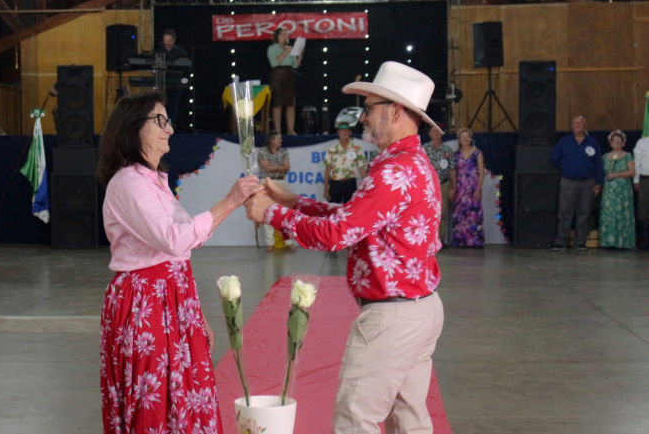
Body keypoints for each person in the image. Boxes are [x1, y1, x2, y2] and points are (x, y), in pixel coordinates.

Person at [245, 62, 445, 434]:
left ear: (396, 111)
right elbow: (359, 219)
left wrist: (272, 214)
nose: (363, 118)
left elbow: (337, 235)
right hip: (418, 308)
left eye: (369, 108)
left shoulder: (393, 171)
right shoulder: (413, 163)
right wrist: (293, 202)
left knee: (355, 420)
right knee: (409, 420)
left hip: (392, 317)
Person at [96, 91, 262, 434]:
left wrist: (194, 315)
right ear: (132, 128)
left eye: (168, 120)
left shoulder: (153, 182)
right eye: (159, 120)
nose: (169, 128)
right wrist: (230, 201)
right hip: (146, 303)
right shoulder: (128, 184)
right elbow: (174, 239)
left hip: (172, 299)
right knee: (155, 398)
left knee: (184, 396)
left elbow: (185, 245)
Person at [550, 115, 604, 250]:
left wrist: (599, 182)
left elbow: (598, 163)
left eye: (581, 123)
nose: (578, 125)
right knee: (564, 213)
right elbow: (554, 158)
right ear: (572, 126)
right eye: (575, 123)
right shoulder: (564, 142)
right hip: (568, 181)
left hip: (588, 182)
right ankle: (561, 241)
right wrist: (566, 167)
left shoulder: (593, 142)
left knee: (584, 213)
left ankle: (580, 242)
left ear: (585, 125)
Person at [257, 130, 295, 252]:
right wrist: (280, 167)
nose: (281, 141)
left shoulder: (283, 151)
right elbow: (266, 168)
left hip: (281, 181)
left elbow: (287, 167)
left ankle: (288, 240)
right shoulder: (263, 151)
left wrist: (273, 168)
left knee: (285, 213)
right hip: (268, 182)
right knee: (268, 212)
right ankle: (270, 243)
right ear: (272, 141)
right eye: (279, 139)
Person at [599, 130, 636, 249]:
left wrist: (616, 175)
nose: (617, 142)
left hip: (623, 191)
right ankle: (609, 242)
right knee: (610, 213)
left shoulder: (628, 156)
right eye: (614, 140)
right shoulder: (605, 157)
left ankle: (623, 242)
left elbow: (632, 172)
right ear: (610, 142)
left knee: (622, 213)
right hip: (609, 191)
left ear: (623, 143)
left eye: (619, 140)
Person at [450, 128, 485, 248]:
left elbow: (481, 171)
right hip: (460, 186)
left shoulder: (477, 152)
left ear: (471, 139)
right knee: (460, 210)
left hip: (473, 185)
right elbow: (453, 171)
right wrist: (453, 187)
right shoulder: (456, 154)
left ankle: (475, 240)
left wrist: (479, 188)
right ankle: (460, 240)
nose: (465, 139)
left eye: (467, 137)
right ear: (459, 139)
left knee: (474, 210)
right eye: (462, 137)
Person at [267, 27, 303, 135]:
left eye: (287, 35)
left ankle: (290, 130)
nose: (285, 37)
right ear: (277, 36)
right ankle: (277, 131)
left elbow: (295, 65)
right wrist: (285, 52)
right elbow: (274, 63)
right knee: (277, 105)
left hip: (288, 77)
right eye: (283, 34)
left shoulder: (289, 48)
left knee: (290, 104)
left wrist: (300, 55)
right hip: (277, 77)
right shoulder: (272, 48)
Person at [423, 126, 454, 247]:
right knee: (427, 212)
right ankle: (428, 239)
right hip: (427, 185)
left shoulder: (447, 149)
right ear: (429, 133)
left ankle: (440, 239)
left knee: (442, 212)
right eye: (433, 131)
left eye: (438, 131)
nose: (436, 133)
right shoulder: (424, 149)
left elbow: (452, 169)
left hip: (444, 184)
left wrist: (453, 186)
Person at [324, 120, 368, 204]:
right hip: (335, 184)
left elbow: (362, 169)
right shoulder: (332, 149)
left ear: (350, 132)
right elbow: (327, 171)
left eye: (346, 131)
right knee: (333, 210)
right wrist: (326, 190)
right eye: (341, 131)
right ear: (338, 132)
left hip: (350, 184)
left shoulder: (357, 149)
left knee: (350, 210)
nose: (344, 133)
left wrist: (367, 187)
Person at [155, 29, 188, 132]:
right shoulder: (159, 52)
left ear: (174, 40)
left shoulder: (180, 52)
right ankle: (160, 127)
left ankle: (170, 128)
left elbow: (185, 67)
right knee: (161, 106)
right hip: (162, 83)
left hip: (175, 83)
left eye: (169, 41)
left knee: (173, 107)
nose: (167, 43)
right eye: (165, 41)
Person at [634, 134, 649, 249]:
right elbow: (637, 162)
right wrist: (636, 180)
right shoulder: (642, 142)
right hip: (646, 179)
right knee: (643, 210)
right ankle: (645, 242)